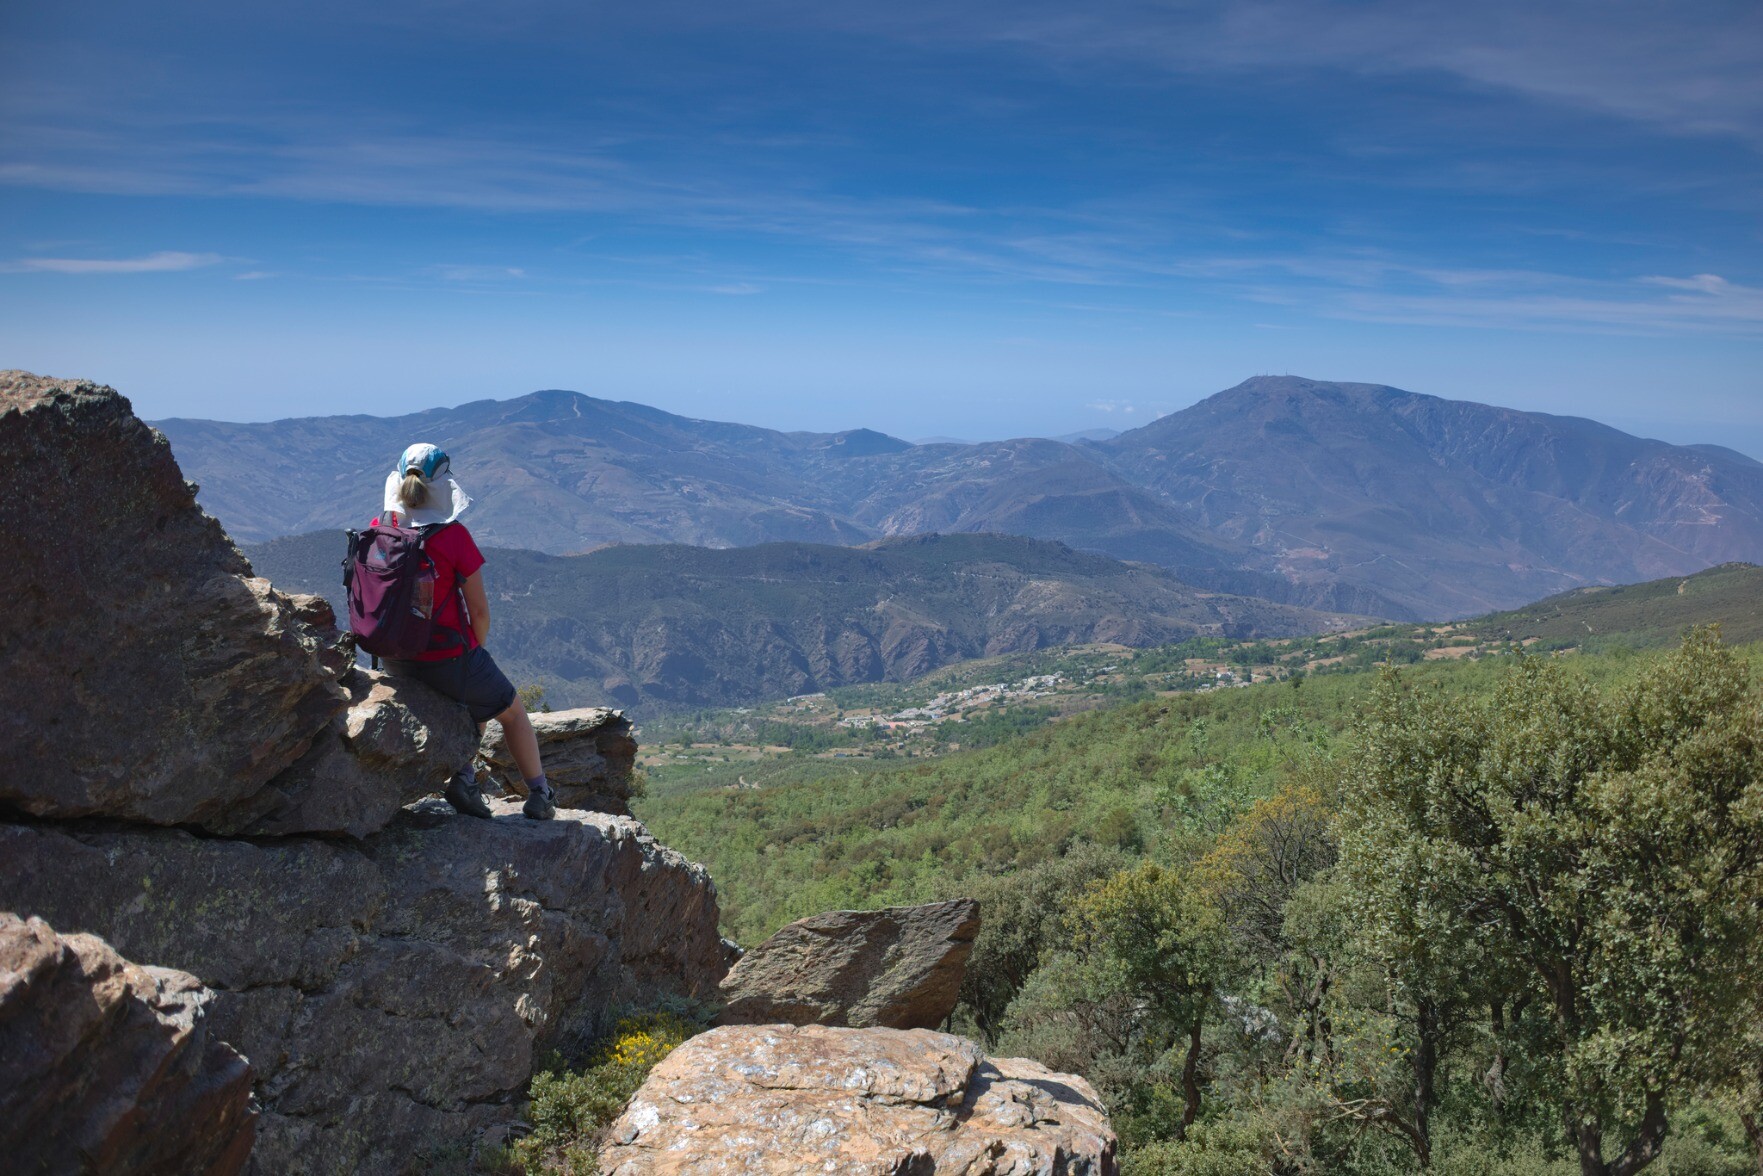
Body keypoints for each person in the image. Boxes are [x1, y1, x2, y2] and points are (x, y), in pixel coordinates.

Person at [373, 443, 555, 821]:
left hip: (393, 657)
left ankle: (465, 776)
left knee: (470, 703)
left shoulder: (382, 529)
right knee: (512, 711)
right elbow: (480, 612)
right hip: (446, 656)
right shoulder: (453, 537)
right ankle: (540, 794)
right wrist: (475, 651)